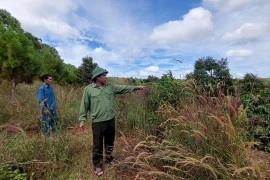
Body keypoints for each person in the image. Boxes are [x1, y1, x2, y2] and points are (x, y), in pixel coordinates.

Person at [79, 67, 146, 176]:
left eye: (106, 75)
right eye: (104, 75)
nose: (106, 77)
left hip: (110, 120)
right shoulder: (89, 90)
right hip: (98, 122)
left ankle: (109, 158)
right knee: (97, 144)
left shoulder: (110, 87)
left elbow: (123, 88)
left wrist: (137, 87)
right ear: (97, 77)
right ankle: (97, 165)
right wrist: (82, 120)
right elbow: (84, 105)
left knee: (110, 142)